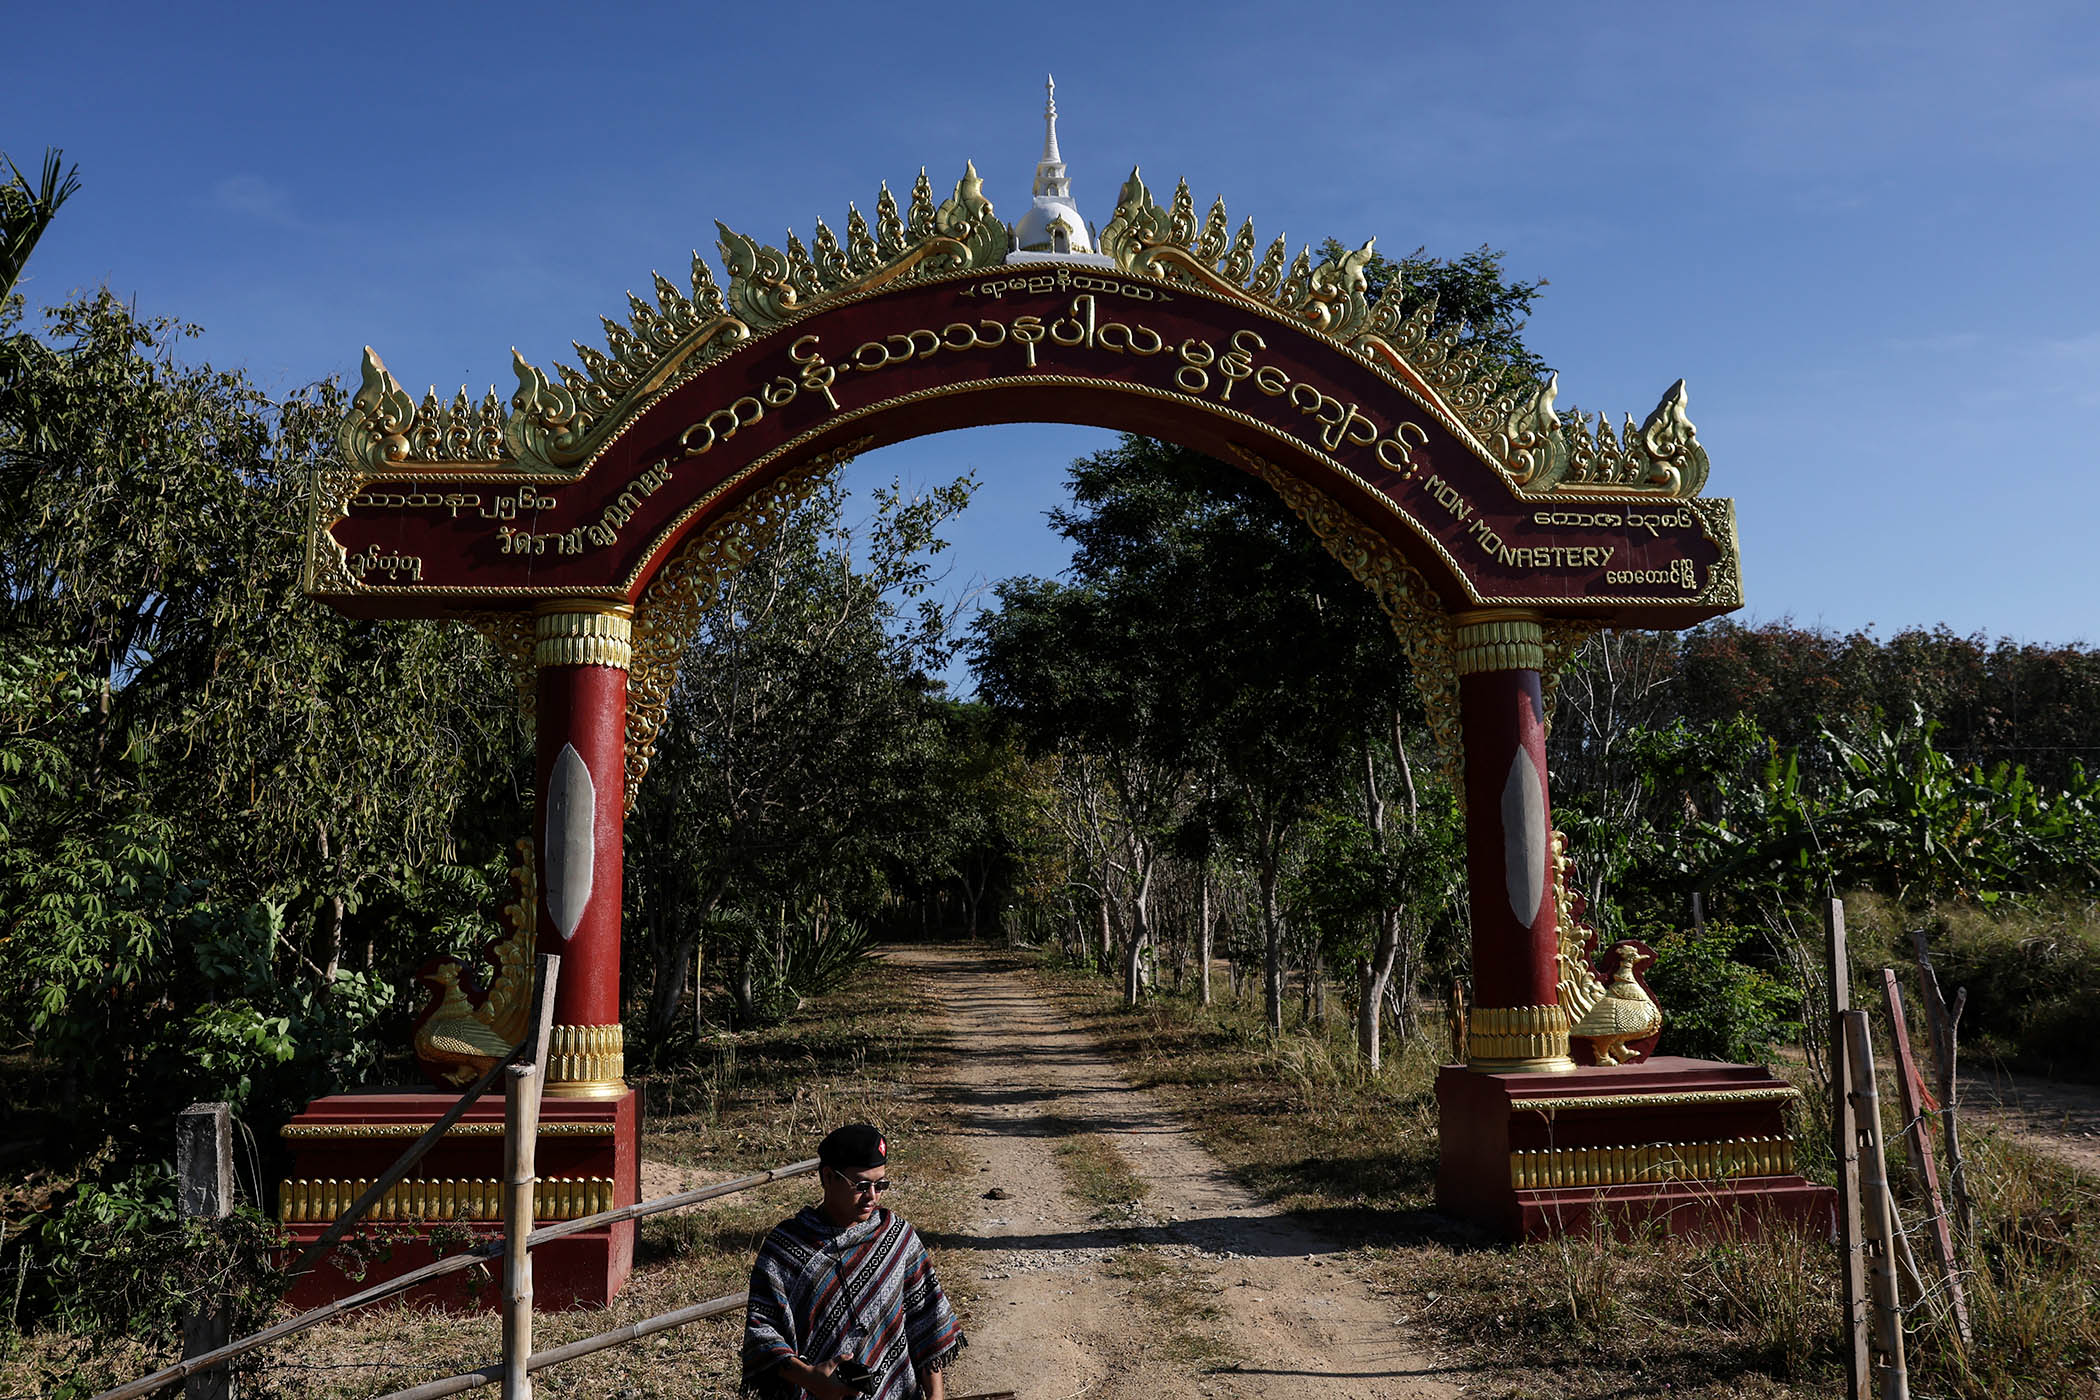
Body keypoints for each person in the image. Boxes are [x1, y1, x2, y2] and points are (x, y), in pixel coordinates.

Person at [741, 1123, 965, 1400]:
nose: (872, 1196)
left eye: (881, 1184)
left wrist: (936, 1396)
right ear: (827, 1177)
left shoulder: (896, 1237)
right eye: (861, 1185)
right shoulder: (786, 1248)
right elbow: (762, 1331)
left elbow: (926, 1321)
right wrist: (808, 1377)